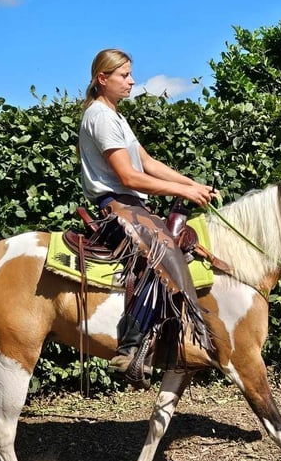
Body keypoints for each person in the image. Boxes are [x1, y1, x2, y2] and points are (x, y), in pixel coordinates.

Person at [77, 48, 214, 387]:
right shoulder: (100, 116)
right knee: (163, 256)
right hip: (118, 207)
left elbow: (148, 164)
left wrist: (192, 184)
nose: (132, 81)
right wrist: (182, 193)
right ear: (102, 79)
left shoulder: (116, 117)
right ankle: (129, 348)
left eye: (130, 74)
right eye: (124, 75)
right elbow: (129, 177)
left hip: (133, 207)